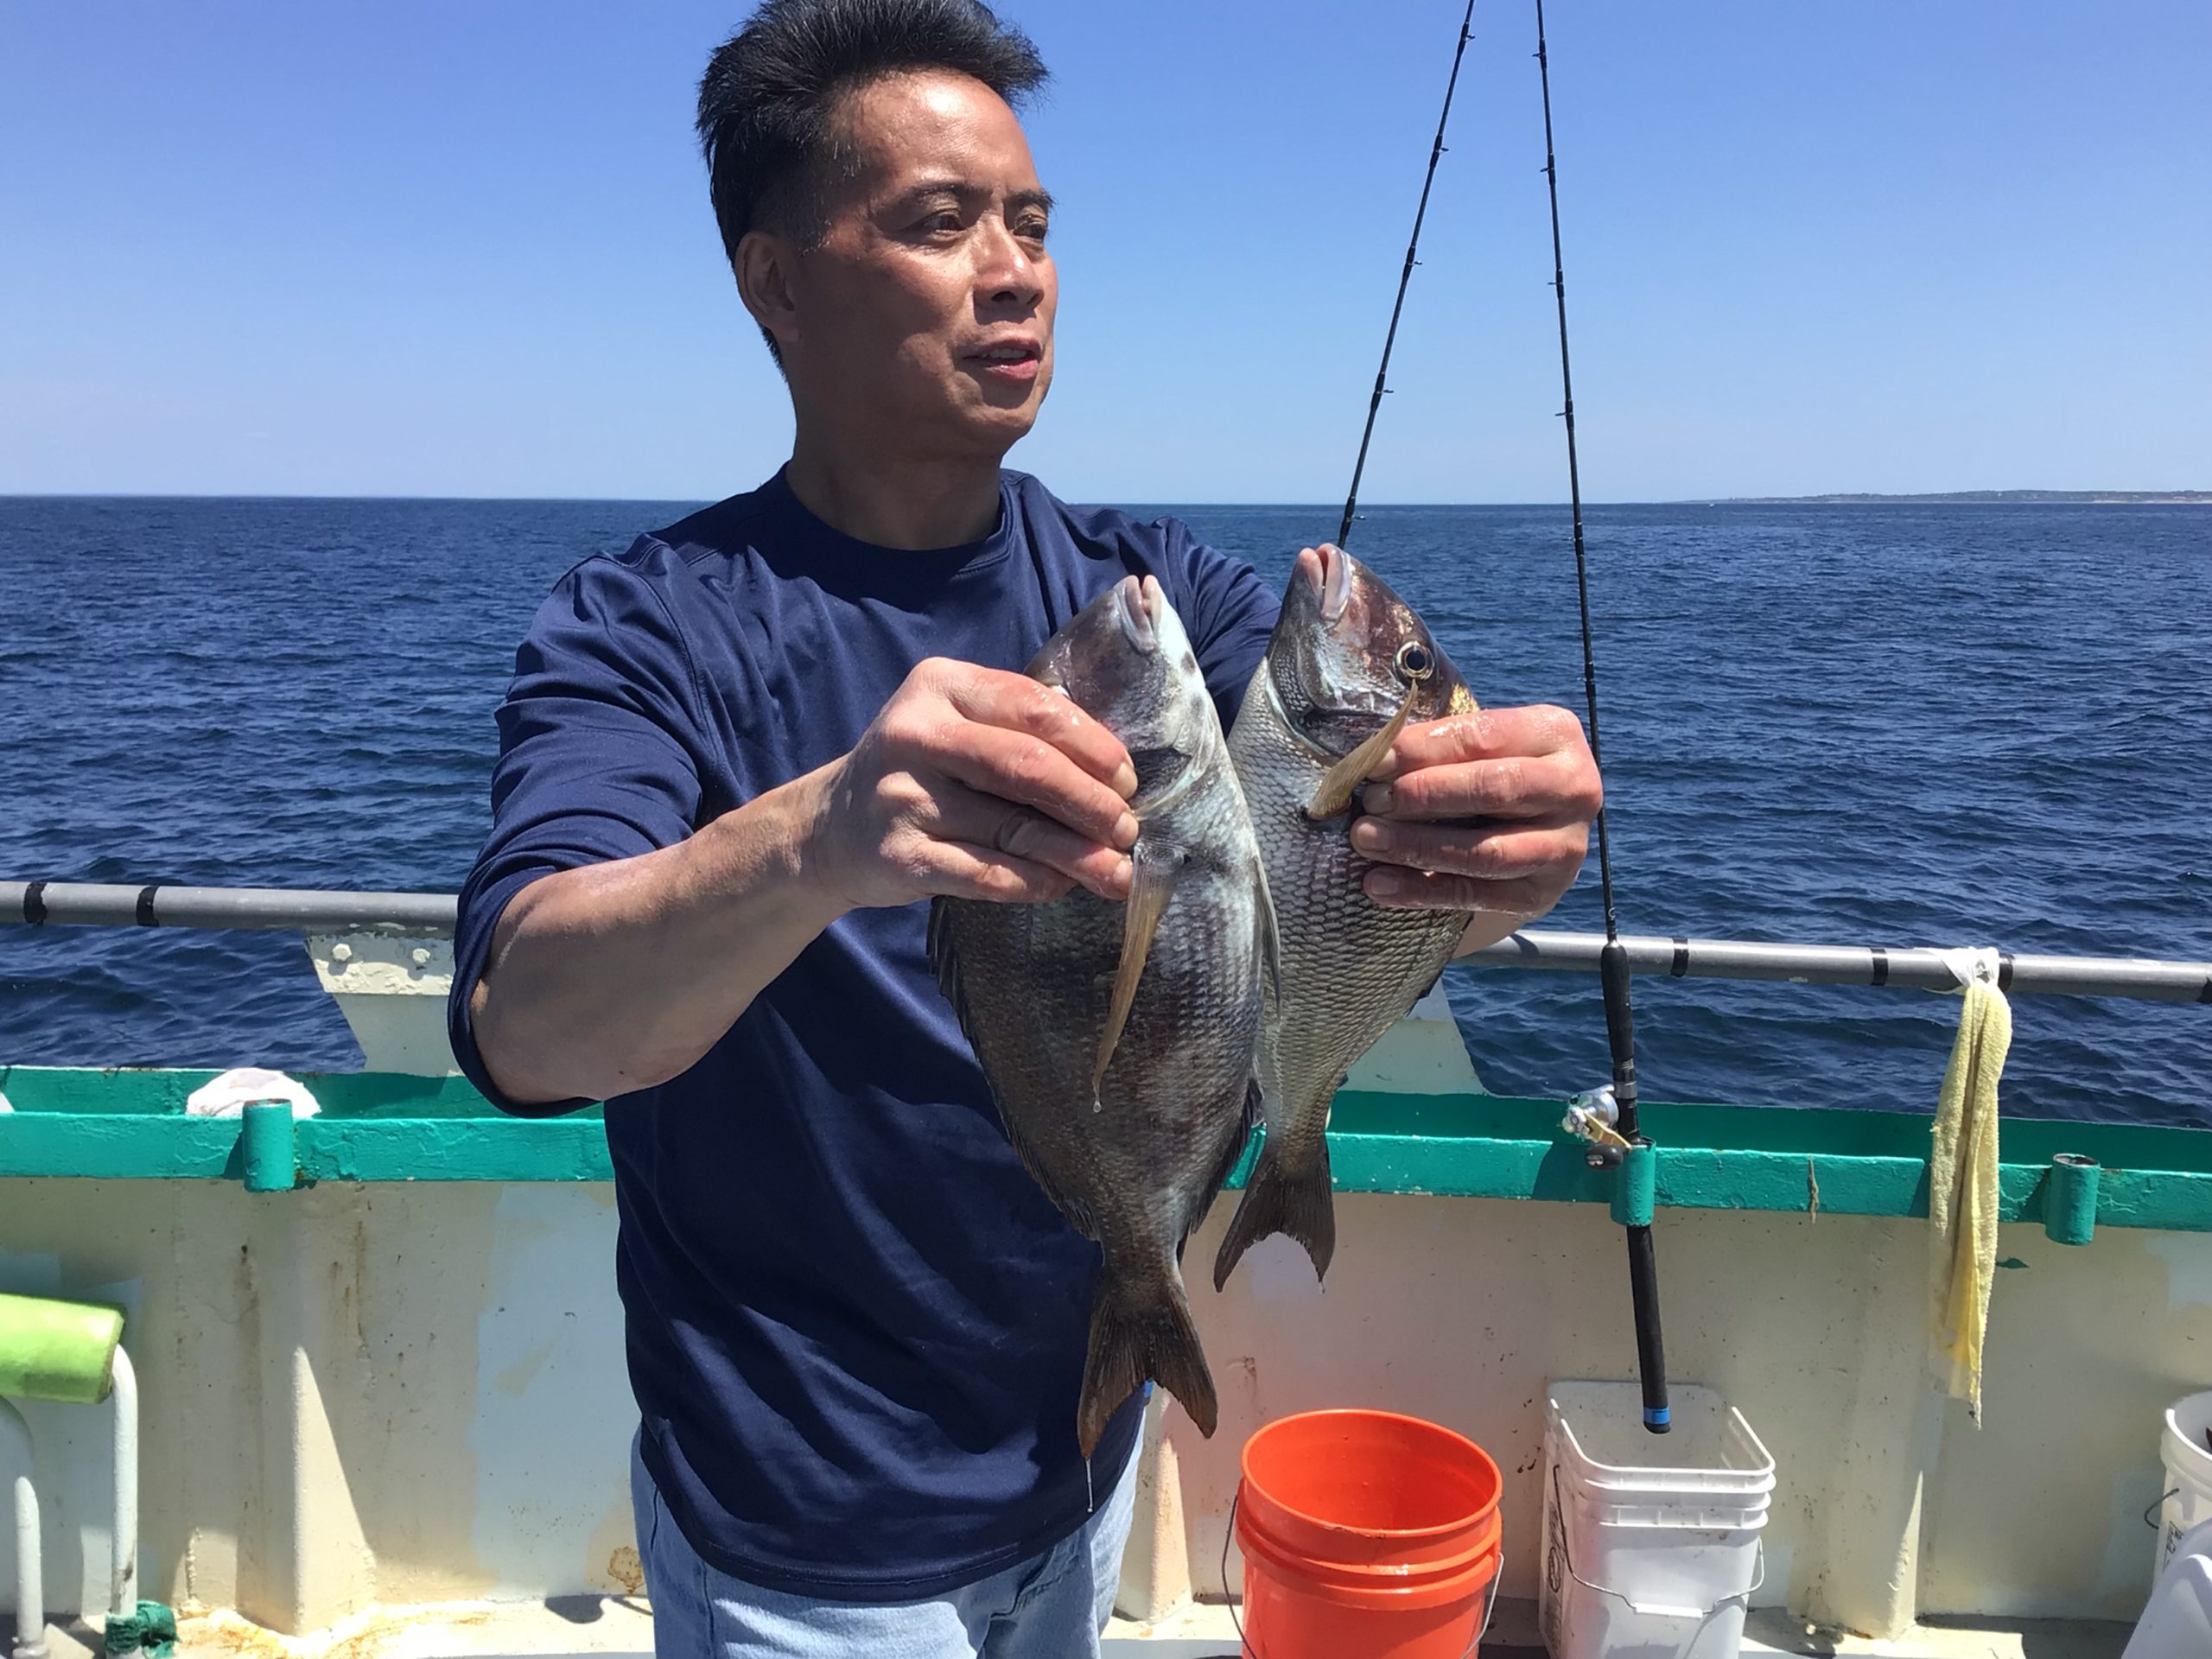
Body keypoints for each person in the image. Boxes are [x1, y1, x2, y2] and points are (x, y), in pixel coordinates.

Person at [447, 0, 1604, 1652]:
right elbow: (524, 1023)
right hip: (799, 1524)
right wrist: (827, 835)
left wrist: (1494, 860)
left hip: (1080, 1462)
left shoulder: (1151, 600)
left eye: (1034, 225)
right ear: (774, 280)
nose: (1016, 271)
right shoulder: (646, 628)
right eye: (940, 222)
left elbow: (1337, 881)